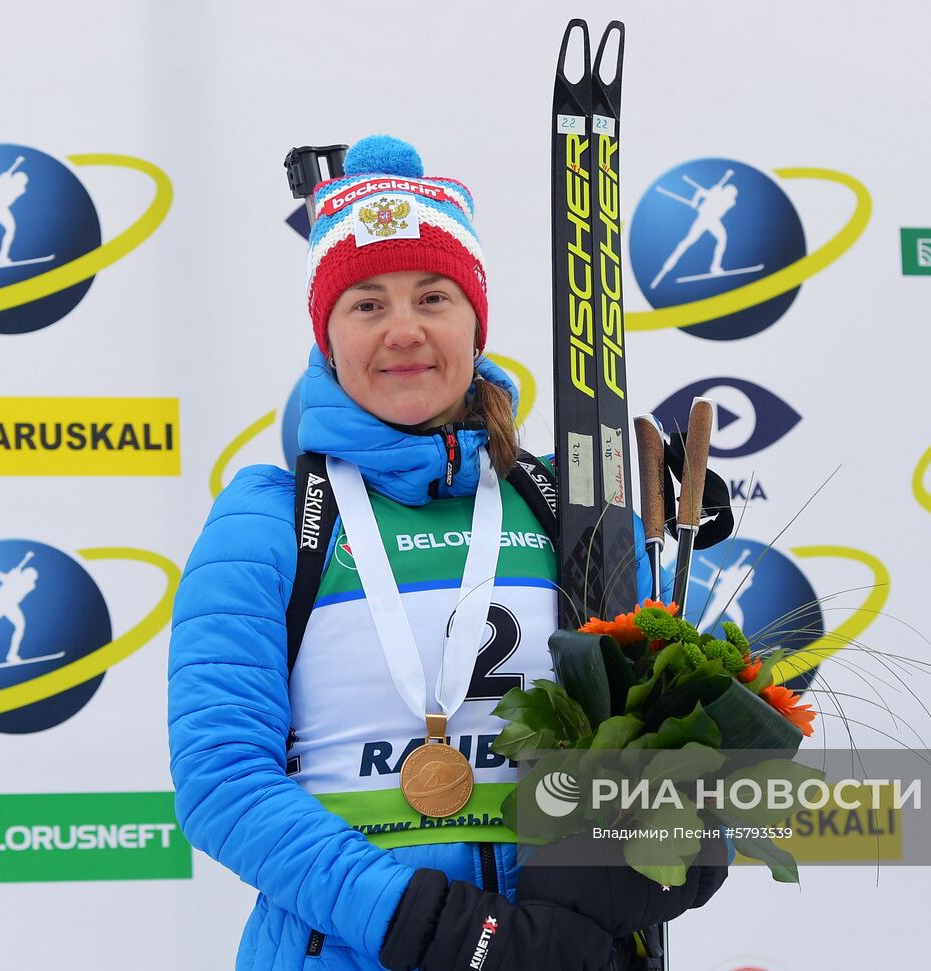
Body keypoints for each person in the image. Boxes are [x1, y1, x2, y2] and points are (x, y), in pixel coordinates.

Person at [168, 135, 727, 971]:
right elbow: (223, 780)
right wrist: (429, 925)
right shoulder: (268, 522)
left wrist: (648, 859)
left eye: (433, 297)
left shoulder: (562, 506)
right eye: (367, 304)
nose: (404, 331)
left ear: (474, 321)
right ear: (328, 335)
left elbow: (681, 733)